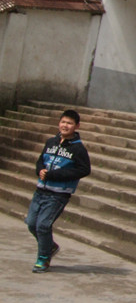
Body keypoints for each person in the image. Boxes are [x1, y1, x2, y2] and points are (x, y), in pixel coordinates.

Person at [26, 109, 91, 273]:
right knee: (31, 223)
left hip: (58, 194)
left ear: (76, 126)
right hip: (40, 190)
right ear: (59, 123)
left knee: (43, 225)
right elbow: (40, 160)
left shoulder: (78, 149)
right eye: (63, 122)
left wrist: (55, 175)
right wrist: (40, 170)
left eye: (69, 123)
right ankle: (50, 246)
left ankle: (43, 258)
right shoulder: (51, 142)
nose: (65, 125)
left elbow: (84, 169)